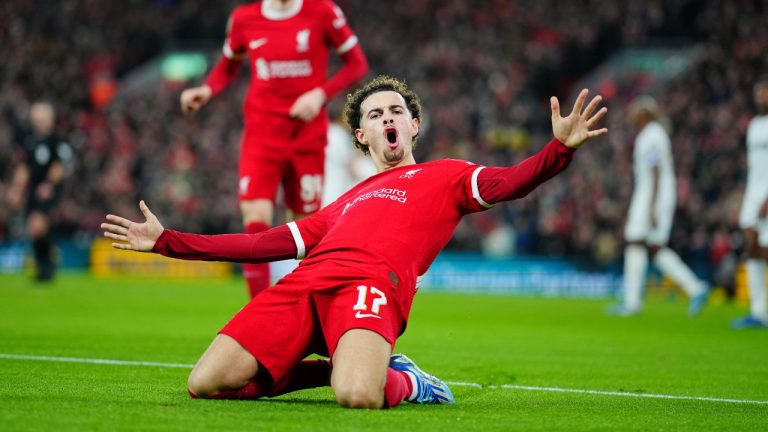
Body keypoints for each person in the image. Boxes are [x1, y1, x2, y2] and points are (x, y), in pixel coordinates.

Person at [102, 76, 608, 408]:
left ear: (413, 125)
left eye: (396, 111)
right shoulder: (346, 201)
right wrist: (168, 241)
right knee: (205, 383)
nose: (387, 118)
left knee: (358, 396)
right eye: (374, 114)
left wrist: (558, 151)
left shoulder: (447, 176)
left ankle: (410, 381)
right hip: (305, 284)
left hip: (370, 286)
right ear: (362, 135)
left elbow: (511, 181)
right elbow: (261, 246)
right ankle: (334, 369)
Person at [179, 0, 368, 298]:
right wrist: (207, 89)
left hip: (307, 137)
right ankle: (258, 311)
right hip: (261, 135)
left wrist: (320, 94)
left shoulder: (323, 12)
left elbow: (357, 63)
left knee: (306, 229)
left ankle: (303, 306)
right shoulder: (244, 18)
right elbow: (228, 65)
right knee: (255, 218)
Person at [610, 96, 708, 317]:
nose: (632, 115)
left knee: (635, 240)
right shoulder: (651, 134)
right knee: (654, 248)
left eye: (636, 111)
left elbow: (655, 170)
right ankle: (695, 288)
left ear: (645, 113)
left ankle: (632, 302)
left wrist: (652, 205)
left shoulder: (652, 135)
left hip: (653, 194)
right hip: (653, 193)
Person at [5, 101, 73, 282]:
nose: (39, 121)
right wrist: (16, 190)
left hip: (48, 190)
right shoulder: (30, 141)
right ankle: (43, 266)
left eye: (42, 118)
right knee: (33, 228)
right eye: (36, 118)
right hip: (33, 190)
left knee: (38, 224)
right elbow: (24, 168)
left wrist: (49, 184)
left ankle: (48, 265)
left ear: (50, 119)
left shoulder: (57, 140)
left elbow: (59, 165)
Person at [732, 78, 768, 329]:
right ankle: (757, 311)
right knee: (752, 246)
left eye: (766, 94)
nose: (762, 98)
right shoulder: (754, 125)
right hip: (753, 192)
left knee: (765, 249)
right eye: (759, 94)